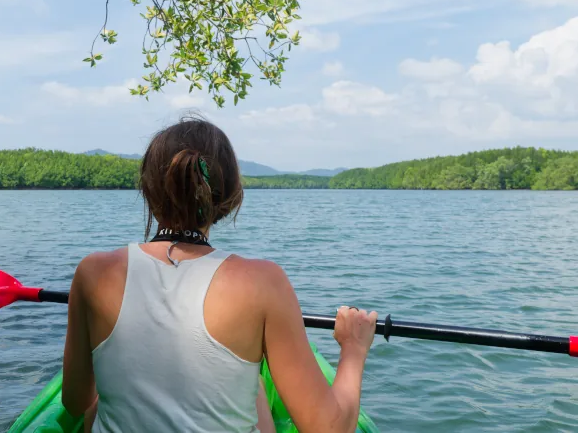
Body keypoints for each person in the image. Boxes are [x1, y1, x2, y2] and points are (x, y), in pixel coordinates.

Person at [61, 116, 378, 433]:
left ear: (148, 189)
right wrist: (353, 348)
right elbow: (329, 429)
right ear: (228, 195)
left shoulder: (94, 272)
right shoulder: (262, 282)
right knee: (247, 375)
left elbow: (75, 401)